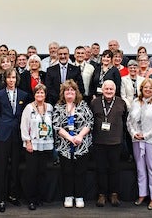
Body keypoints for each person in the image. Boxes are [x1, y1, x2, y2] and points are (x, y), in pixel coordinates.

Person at [0, 68, 30, 212]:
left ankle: (13, 196)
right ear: (5, 79)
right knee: (2, 168)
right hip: (3, 134)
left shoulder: (24, 94)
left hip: (18, 134)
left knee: (15, 167)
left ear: (17, 79)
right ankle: (0, 199)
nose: (11, 80)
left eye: (14, 77)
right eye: (9, 78)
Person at [52, 80, 93, 208]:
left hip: (82, 145)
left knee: (80, 172)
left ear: (76, 92)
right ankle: (68, 196)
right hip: (64, 146)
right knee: (67, 172)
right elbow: (56, 126)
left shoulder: (83, 105)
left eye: (72, 90)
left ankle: (79, 196)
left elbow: (90, 122)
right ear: (63, 93)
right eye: (67, 90)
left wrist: (80, 136)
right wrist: (70, 138)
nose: (69, 92)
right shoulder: (58, 107)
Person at [127, 78, 152, 210]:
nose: (147, 89)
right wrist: (134, 133)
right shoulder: (135, 102)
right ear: (141, 89)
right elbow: (129, 121)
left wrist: (146, 135)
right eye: (145, 87)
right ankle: (142, 194)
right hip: (137, 140)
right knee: (140, 169)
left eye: (150, 88)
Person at [90, 80, 128, 207]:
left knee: (114, 169)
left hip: (116, 142)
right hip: (99, 142)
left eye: (111, 89)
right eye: (106, 89)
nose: (109, 91)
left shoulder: (121, 102)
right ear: (102, 89)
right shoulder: (94, 102)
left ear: (115, 90)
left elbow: (125, 120)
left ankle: (114, 194)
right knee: (100, 169)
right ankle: (101, 194)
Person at [20, 84, 54, 210]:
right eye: (37, 93)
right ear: (34, 95)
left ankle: (39, 197)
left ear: (45, 95)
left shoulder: (49, 107)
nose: (40, 95)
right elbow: (24, 126)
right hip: (32, 145)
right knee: (31, 173)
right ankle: (31, 199)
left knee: (42, 173)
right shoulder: (29, 108)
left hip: (46, 145)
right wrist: (27, 141)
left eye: (42, 93)